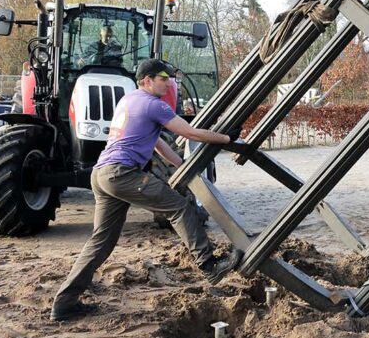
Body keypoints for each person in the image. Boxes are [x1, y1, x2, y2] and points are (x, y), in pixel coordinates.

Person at [51, 58, 242, 322]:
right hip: (122, 173)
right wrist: (226, 138)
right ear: (147, 80)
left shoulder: (128, 101)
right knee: (179, 207)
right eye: (163, 78)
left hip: (102, 174)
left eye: (169, 78)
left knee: (101, 242)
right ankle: (210, 266)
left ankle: (64, 304)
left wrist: (180, 165)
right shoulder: (153, 104)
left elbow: (157, 144)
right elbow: (189, 132)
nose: (168, 83)